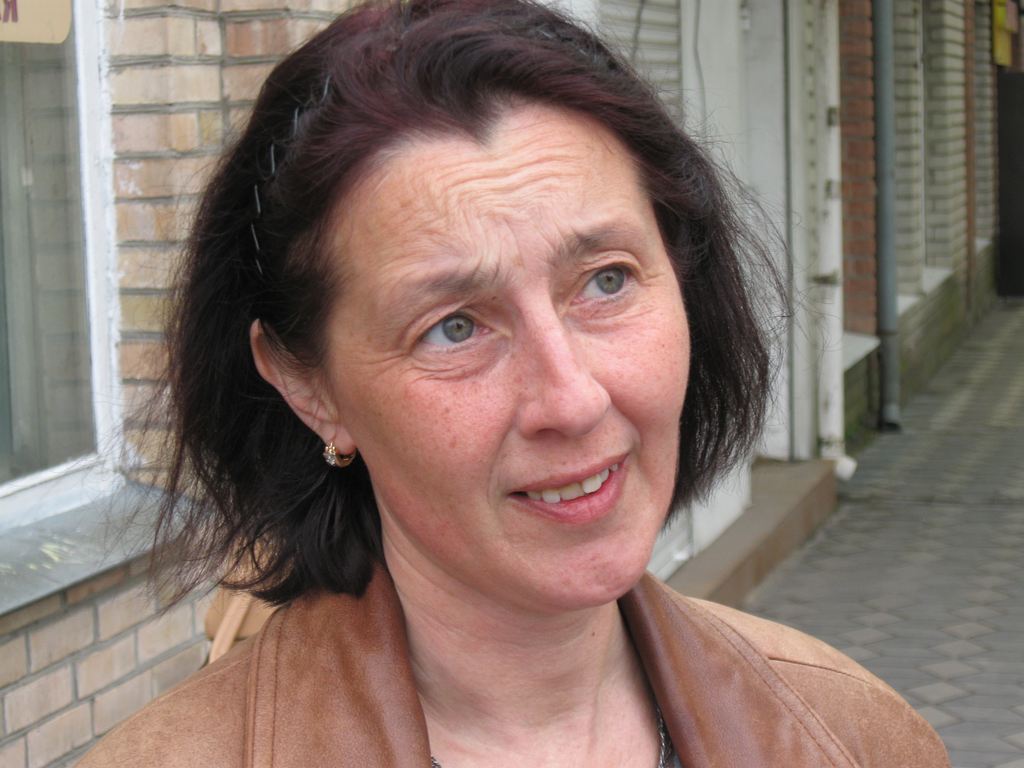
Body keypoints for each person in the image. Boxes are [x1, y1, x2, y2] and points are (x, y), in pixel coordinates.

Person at [81, 1, 950, 766]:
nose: (572, 399)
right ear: (309, 387)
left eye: (605, 281)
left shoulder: (855, 738)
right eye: (454, 327)